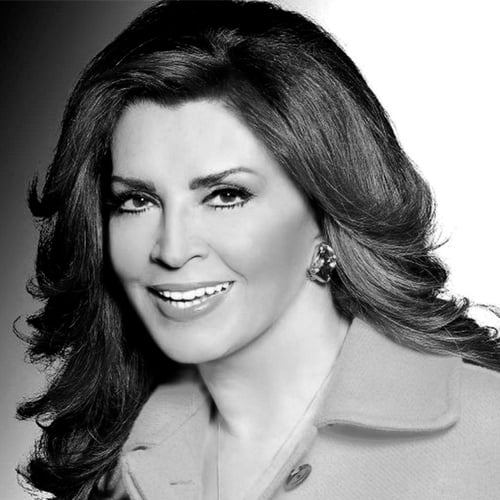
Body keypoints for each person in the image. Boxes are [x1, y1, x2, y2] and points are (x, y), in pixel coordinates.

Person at [17, 1, 500, 499]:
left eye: (226, 195)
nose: (172, 250)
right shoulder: (114, 463)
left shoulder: (488, 435)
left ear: (327, 210)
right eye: (137, 201)